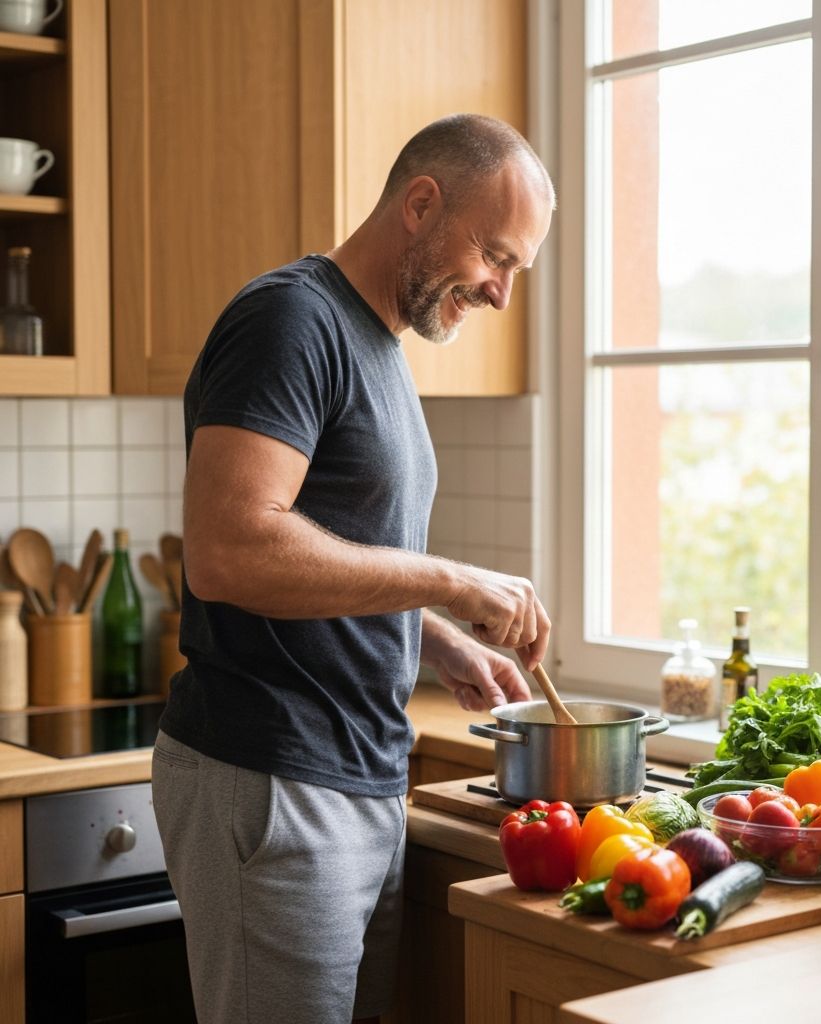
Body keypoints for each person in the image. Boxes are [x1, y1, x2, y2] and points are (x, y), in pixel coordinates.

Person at [151, 113, 556, 1024]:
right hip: (273, 780)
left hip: (359, 778)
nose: (499, 293)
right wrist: (447, 582)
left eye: (516, 271)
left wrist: (435, 637)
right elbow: (229, 549)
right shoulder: (292, 319)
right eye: (495, 256)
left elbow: (330, 549)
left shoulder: (381, 345)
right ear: (421, 205)